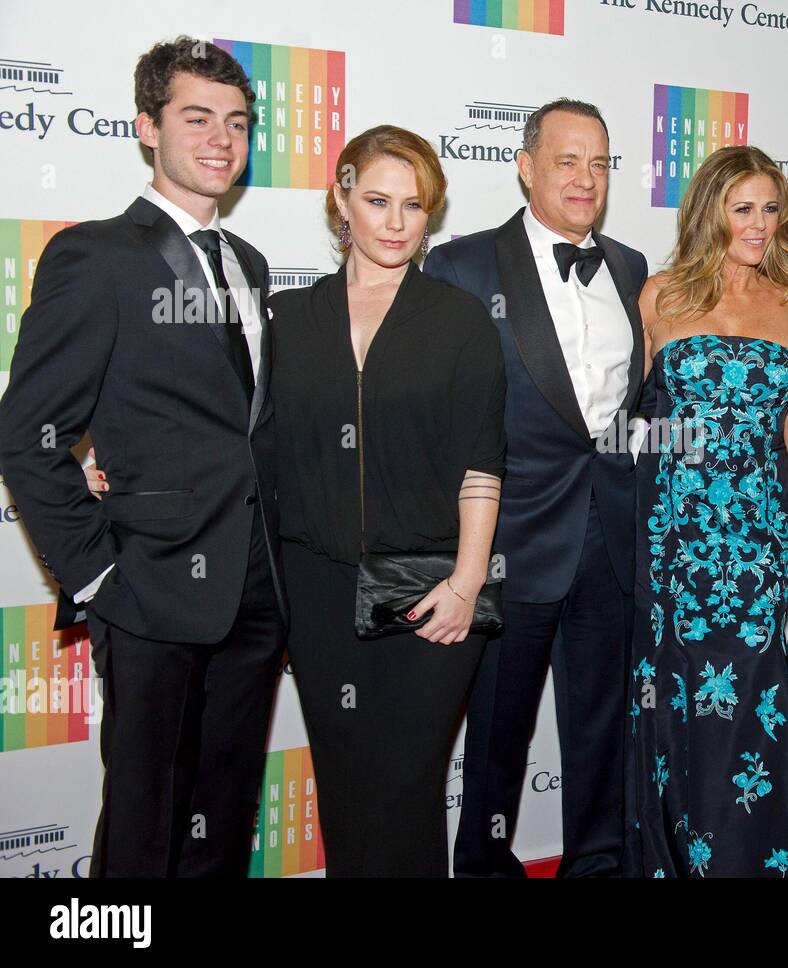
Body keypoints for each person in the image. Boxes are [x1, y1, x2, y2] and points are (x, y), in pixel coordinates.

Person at [0, 37, 285, 877]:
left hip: (256, 593)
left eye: (236, 123)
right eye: (196, 118)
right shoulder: (97, 255)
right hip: (151, 586)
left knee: (225, 813)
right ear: (145, 128)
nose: (220, 140)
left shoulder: (251, 265)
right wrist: (95, 578)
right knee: (143, 825)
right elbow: (29, 433)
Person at [268, 126, 504, 876]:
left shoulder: (460, 320)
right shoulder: (287, 319)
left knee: (405, 787)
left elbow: (481, 465)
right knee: (345, 789)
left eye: (414, 205)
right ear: (342, 198)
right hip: (317, 588)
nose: (397, 222)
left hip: (429, 588)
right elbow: (241, 440)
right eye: (377, 200)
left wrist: (467, 584)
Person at [423, 99, 646, 877]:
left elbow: (632, 406)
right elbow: (441, 420)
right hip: (506, 543)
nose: (585, 179)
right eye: (566, 160)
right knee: (494, 730)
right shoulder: (463, 265)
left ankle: (598, 862)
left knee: (602, 723)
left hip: (611, 540)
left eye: (600, 163)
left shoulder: (629, 265)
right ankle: (483, 866)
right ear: (525, 166)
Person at [629, 144, 788, 878]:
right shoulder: (661, 295)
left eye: (771, 209)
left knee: (758, 701)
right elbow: (634, 421)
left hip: (761, 540)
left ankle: (760, 860)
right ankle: (680, 859)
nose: (760, 224)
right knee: (680, 700)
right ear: (711, 211)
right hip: (679, 540)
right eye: (743, 208)